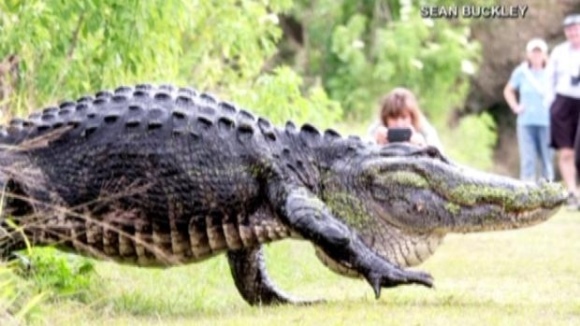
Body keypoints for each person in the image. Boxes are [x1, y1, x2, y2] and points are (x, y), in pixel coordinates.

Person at [503, 38, 554, 182]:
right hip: (526, 121)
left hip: (547, 122)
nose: (537, 55)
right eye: (534, 52)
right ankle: (526, 190)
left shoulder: (552, 71)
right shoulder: (521, 72)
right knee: (528, 159)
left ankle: (547, 191)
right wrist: (515, 106)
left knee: (547, 158)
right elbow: (508, 90)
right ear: (528, 54)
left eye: (540, 52)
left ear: (545, 54)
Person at [544, 14, 580, 208]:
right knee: (566, 151)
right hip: (563, 102)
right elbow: (549, 79)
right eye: (570, 30)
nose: (573, 33)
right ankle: (572, 191)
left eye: (576, 29)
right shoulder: (559, 52)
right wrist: (551, 103)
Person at [368, 87, 443, 151]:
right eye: (394, 118)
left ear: (412, 117)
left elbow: (440, 155)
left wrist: (422, 146)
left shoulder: (423, 128)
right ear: (385, 118)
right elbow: (360, 152)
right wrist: (375, 142)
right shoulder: (378, 128)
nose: (399, 124)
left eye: (404, 118)